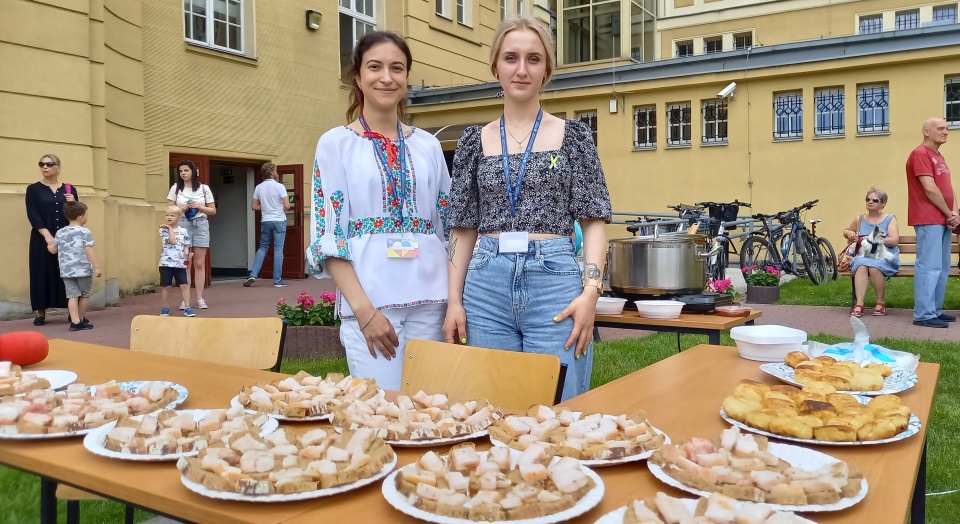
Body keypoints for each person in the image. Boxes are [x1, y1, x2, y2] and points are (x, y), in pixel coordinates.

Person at [444, 17, 612, 402]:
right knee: (493, 403)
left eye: (533, 59)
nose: (521, 69)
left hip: (554, 282)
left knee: (560, 405)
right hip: (485, 283)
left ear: (547, 70)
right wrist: (455, 301)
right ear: (496, 67)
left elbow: (594, 222)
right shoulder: (472, 141)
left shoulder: (575, 138)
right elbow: (462, 228)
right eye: (511, 58)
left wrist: (590, 292)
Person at [307, 31, 451, 390]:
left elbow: (448, 228)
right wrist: (365, 313)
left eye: (396, 68)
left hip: (431, 302)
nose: (386, 77)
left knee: (428, 409)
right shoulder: (335, 144)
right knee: (381, 412)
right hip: (371, 304)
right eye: (375, 67)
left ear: (407, 78)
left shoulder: (429, 146)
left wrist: (455, 303)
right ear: (358, 77)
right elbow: (330, 235)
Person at [906, 117, 959, 328]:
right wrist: (948, 213)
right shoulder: (920, 154)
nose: (946, 131)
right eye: (941, 128)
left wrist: (954, 212)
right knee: (929, 266)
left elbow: (948, 187)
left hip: (943, 219)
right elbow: (930, 188)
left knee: (943, 266)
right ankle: (924, 314)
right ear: (927, 131)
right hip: (928, 218)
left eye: (946, 128)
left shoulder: (939, 156)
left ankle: (935, 310)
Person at [25, 154, 79, 326]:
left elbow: (77, 215)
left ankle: (73, 312)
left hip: (66, 239)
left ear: (58, 167)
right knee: (41, 272)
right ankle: (41, 313)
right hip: (42, 238)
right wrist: (48, 237)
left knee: (68, 273)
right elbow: (33, 214)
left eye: (49, 164)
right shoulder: (33, 189)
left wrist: (74, 202)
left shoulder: (69, 189)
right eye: (42, 164)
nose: (45, 167)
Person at [842, 188, 900, 317]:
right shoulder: (860, 219)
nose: (870, 202)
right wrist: (849, 233)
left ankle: (880, 302)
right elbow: (846, 231)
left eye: (875, 200)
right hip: (864, 254)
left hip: (884, 254)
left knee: (874, 266)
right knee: (861, 265)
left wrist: (871, 239)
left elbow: (894, 240)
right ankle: (859, 304)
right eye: (868, 199)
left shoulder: (889, 218)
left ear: (883, 203)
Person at [167, 160, 215, 310]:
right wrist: (179, 207)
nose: (183, 173)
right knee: (185, 262)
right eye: (180, 171)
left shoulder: (204, 188)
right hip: (182, 224)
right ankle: (185, 299)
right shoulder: (175, 188)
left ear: (193, 172)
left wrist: (199, 206)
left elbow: (212, 210)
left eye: (186, 170)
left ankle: (200, 298)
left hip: (200, 223)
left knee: (199, 263)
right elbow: (169, 208)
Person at [46, 201, 100, 331]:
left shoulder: (60, 232)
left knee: (72, 295)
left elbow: (54, 250)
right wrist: (96, 266)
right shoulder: (85, 232)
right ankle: (80, 319)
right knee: (85, 294)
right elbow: (88, 250)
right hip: (83, 270)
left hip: (66, 270)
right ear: (80, 216)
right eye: (86, 214)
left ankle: (74, 321)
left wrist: (49, 246)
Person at [244, 163, 292, 288]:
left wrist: (266, 207)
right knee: (278, 249)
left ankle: (253, 274)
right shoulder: (280, 186)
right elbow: (287, 206)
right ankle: (277, 280)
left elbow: (254, 206)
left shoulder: (259, 187)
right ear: (271, 172)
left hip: (265, 220)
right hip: (279, 220)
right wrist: (278, 208)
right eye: (276, 170)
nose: (277, 172)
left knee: (263, 247)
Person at [158, 206, 195, 317]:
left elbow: (186, 246)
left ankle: (188, 307)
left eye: (172, 215)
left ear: (178, 217)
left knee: (184, 285)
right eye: (167, 215)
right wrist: (169, 229)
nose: (169, 217)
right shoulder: (163, 230)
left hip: (179, 263)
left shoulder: (183, 231)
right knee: (166, 286)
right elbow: (172, 241)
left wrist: (187, 255)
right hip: (166, 263)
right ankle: (165, 307)